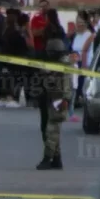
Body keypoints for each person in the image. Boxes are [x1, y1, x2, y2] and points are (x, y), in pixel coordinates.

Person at [36, 38, 72, 170]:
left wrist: (65, 100)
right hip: (50, 98)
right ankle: (57, 159)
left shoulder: (64, 65)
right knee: (48, 129)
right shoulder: (55, 63)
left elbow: (66, 85)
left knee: (51, 130)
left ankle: (48, 158)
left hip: (58, 100)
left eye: (50, 52)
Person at [0, 8, 30, 108]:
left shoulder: (6, 30)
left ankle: (4, 97)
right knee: (14, 79)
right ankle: (11, 98)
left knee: (5, 78)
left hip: (6, 58)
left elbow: (0, 42)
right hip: (14, 59)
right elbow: (25, 46)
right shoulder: (17, 32)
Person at [70, 11, 96, 114]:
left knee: (80, 86)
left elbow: (85, 51)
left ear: (86, 22)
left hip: (84, 64)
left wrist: (84, 68)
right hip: (75, 64)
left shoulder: (89, 35)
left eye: (81, 21)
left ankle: (79, 101)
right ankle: (74, 101)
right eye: (77, 21)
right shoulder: (76, 35)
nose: (78, 24)